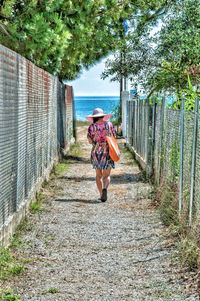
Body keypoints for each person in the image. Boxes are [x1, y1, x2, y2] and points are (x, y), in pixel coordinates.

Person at [87, 108, 116, 202]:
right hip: (108, 152)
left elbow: (90, 141)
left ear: (94, 117)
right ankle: (105, 189)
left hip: (96, 152)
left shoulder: (91, 127)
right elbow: (114, 137)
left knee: (98, 175)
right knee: (106, 175)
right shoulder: (109, 124)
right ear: (103, 116)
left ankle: (100, 194)